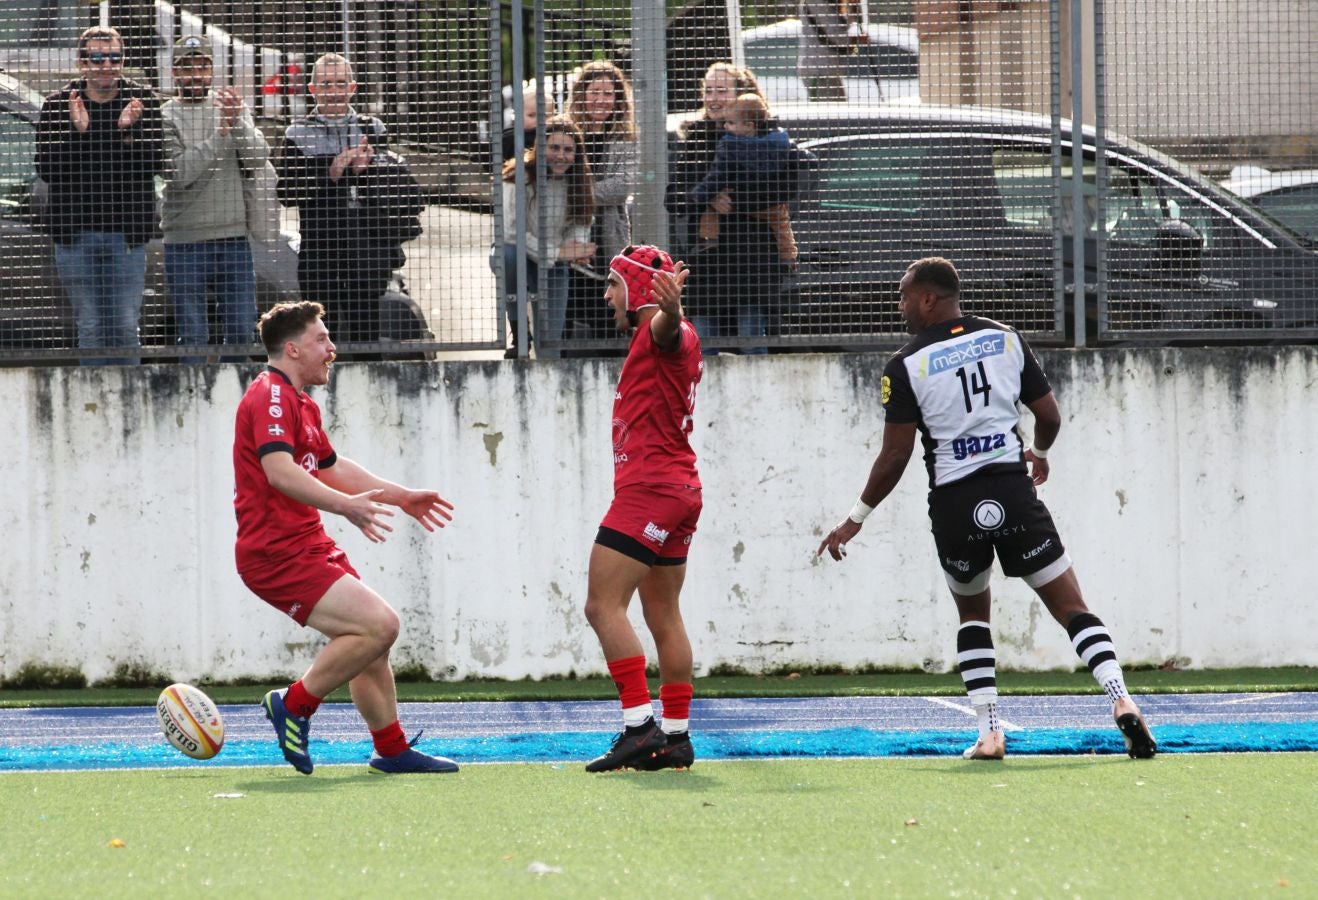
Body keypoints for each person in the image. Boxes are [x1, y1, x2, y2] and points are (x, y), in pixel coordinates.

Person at [816, 257, 1157, 761]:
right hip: (1013, 491)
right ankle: (1121, 699)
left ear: (929, 298)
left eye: (905, 295)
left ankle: (990, 732)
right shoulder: (1005, 338)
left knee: (973, 614)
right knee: (1071, 607)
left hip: (955, 503)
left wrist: (855, 519)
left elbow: (895, 454)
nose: (900, 305)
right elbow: (1049, 416)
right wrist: (1038, 454)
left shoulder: (905, 364)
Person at [234, 300, 459, 775]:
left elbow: (331, 468)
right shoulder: (269, 395)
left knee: (370, 642)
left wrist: (401, 496)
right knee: (380, 625)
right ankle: (293, 704)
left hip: (304, 544)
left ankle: (392, 749)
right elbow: (279, 472)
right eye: (322, 339)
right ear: (292, 349)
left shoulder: (299, 401)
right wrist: (346, 508)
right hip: (277, 553)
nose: (332, 349)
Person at [583, 244, 704, 772]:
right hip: (679, 487)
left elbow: (668, 331)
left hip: (650, 488)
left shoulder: (659, 329)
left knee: (601, 606)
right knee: (663, 614)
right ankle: (675, 737)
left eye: (612, 283)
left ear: (636, 288)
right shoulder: (655, 335)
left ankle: (639, 726)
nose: (606, 293)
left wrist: (670, 310)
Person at [35, 25, 165, 366]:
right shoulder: (57, 105)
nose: (106, 65)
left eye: (114, 57)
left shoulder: (142, 102)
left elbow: (154, 162)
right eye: (97, 58)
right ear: (82, 63)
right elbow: (47, 169)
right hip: (75, 237)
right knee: (90, 326)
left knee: (125, 325)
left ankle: (129, 405)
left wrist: (125, 129)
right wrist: (81, 133)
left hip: (126, 237)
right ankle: (93, 408)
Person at [276, 53, 420, 359]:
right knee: (319, 337)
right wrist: (330, 174)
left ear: (352, 87)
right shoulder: (296, 133)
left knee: (366, 335)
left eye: (341, 83)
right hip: (320, 247)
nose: (334, 91)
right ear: (313, 89)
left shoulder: (373, 128)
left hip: (366, 247)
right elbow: (286, 193)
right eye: (326, 84)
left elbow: (391, 190)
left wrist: (364, 173)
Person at [666, 63, 794, 355]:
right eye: (708, 90)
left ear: (743, 95)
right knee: (702, 346)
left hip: (753, 259)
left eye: (722, 90)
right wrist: (707, 198)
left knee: (752, 340)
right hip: (708, 263)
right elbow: (672, 198)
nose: (713, 97)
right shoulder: (695, 137)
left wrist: (736, 201)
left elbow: (785, 192)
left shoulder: (770, 139)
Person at [160, 34, 266, 363]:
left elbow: (259, 157)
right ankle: (193, 404)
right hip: (185, 239)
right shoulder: (164, 115)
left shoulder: (232, 106)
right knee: (192, 335)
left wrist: (237, 125)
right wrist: (221, 135)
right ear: (174, 73)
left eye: (202, 67)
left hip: (234, 236)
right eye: (186, 68)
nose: (195, 75)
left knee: (241, 332)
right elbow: (179, 173)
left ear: (212, 70)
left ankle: (239, 405)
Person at [497, 116, 595, 358]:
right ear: (541, 147)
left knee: (551, 346)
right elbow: (510, 232)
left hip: (554, 263)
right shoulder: (517, 174)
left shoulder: (580, 181)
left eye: (568, 150)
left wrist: (578, 247)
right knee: (507, 255)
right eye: (554, 147)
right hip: (521, 253)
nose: (561, 156)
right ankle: (519, 331)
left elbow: (581, 223)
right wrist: (558, 252)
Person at [566, 60, 639, 345]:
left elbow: (622, 187)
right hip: (569, 244)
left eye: (608, 93)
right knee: (566, 324)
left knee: (608, 325)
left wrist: (580, 194)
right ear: (582, 94)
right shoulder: (566, 132)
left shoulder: (625, 137)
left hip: (608, 240)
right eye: (594, 91)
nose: (601, 100)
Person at [690, 92, 798, 268]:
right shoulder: (780, 142)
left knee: (710, 212)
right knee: (782, 225)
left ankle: (708, 240)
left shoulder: (730, 146)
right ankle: (789, 256)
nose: (725, 126)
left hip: (731, 202)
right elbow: (798, 163)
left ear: (749, 125)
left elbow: (717, 175)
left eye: (731, 123)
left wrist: (700, 194)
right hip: (770, 207)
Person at [797, 0, 865, 102]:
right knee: (828, 112)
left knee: (840, 110)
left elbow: (843, 26)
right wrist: (855, 40)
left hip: (830, 71)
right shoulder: (815, 3)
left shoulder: (831, 4)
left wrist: (852, 6)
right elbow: (836, 35)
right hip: (818, 71)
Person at [500, 79, 553, 162]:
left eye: (544, 116)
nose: (539, 121)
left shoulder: (553, 138)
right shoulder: (509, 138)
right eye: (531, 115)